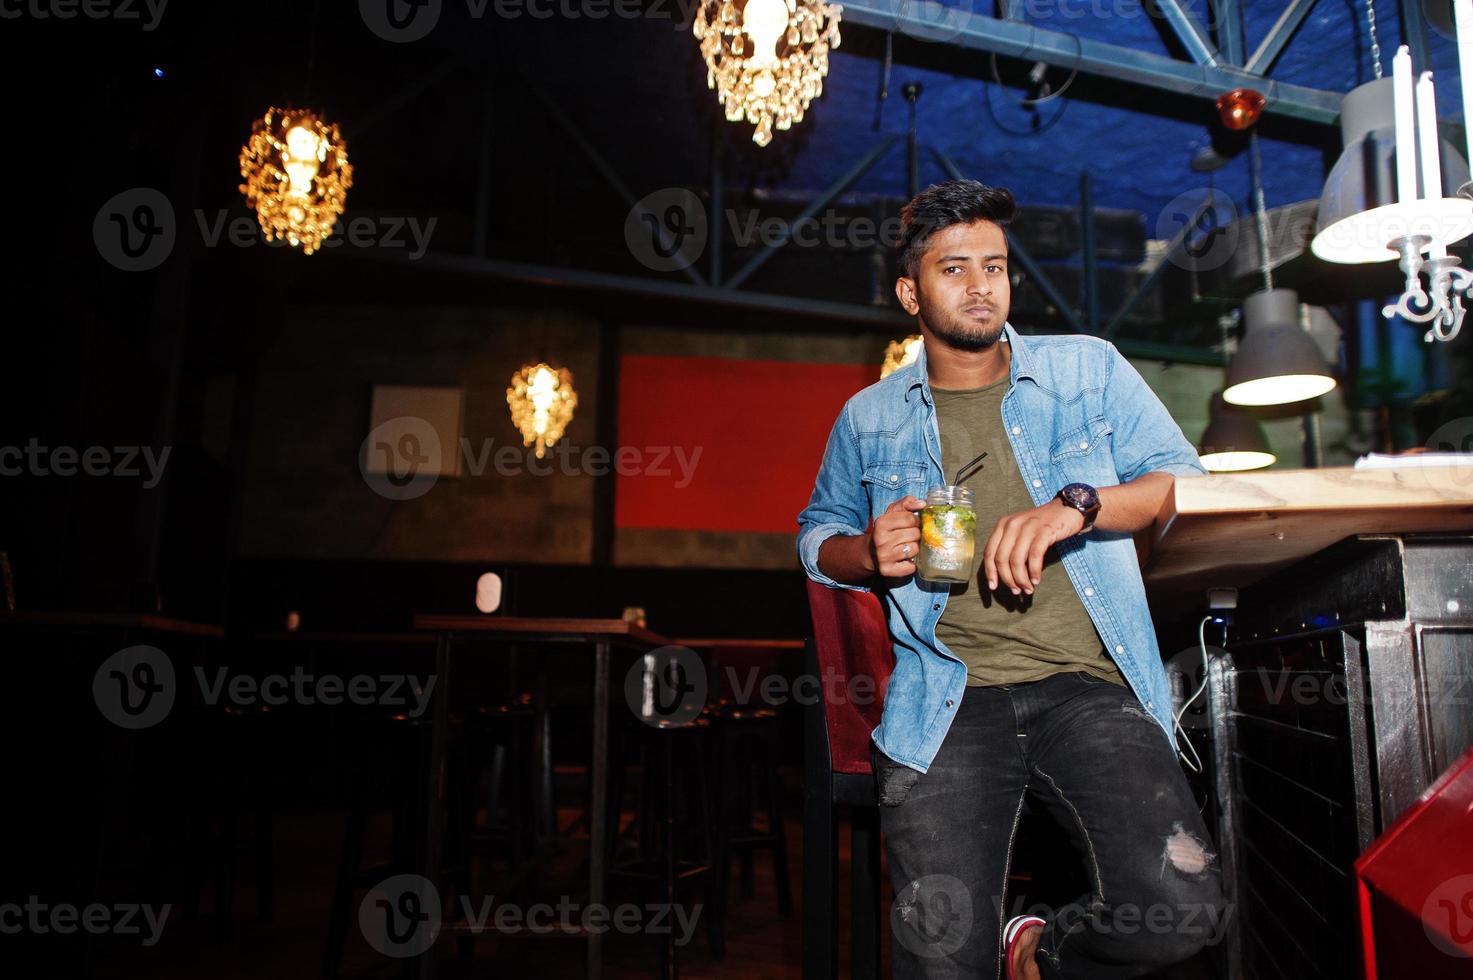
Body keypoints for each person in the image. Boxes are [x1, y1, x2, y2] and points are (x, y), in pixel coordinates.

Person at [796, 180, 1225, 980]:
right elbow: (814, 533)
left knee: (1181, 910)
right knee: (939, 961)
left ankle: (1036, 950)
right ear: (908, 293)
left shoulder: (1087, 371)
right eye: (953, 268)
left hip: (1089, 686)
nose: (979, 284)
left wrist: (1079, 505)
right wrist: (862, 552)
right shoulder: (869, 418)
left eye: (992, 266)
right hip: (946, 703)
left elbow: (1184, 484)